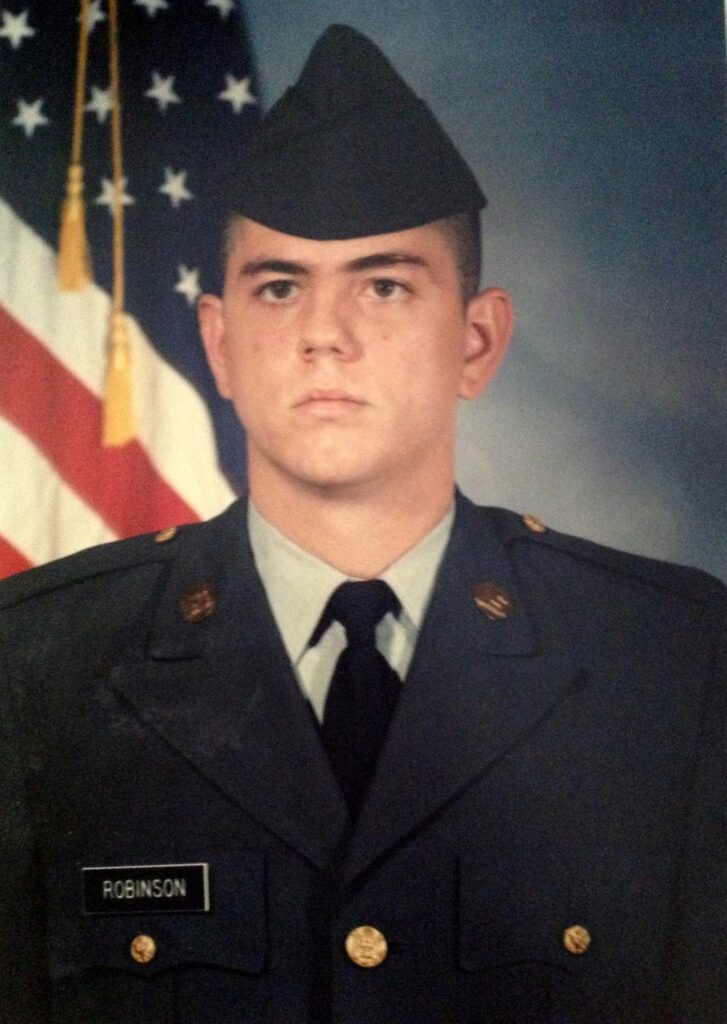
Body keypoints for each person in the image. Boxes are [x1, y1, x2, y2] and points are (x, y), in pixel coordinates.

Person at [0, 24, 724, 1024]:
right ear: (218, 343)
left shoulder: (675, 662)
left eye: (383, 285)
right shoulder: (33, 668)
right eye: (279, 286)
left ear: (476, 341)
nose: (324, 336)